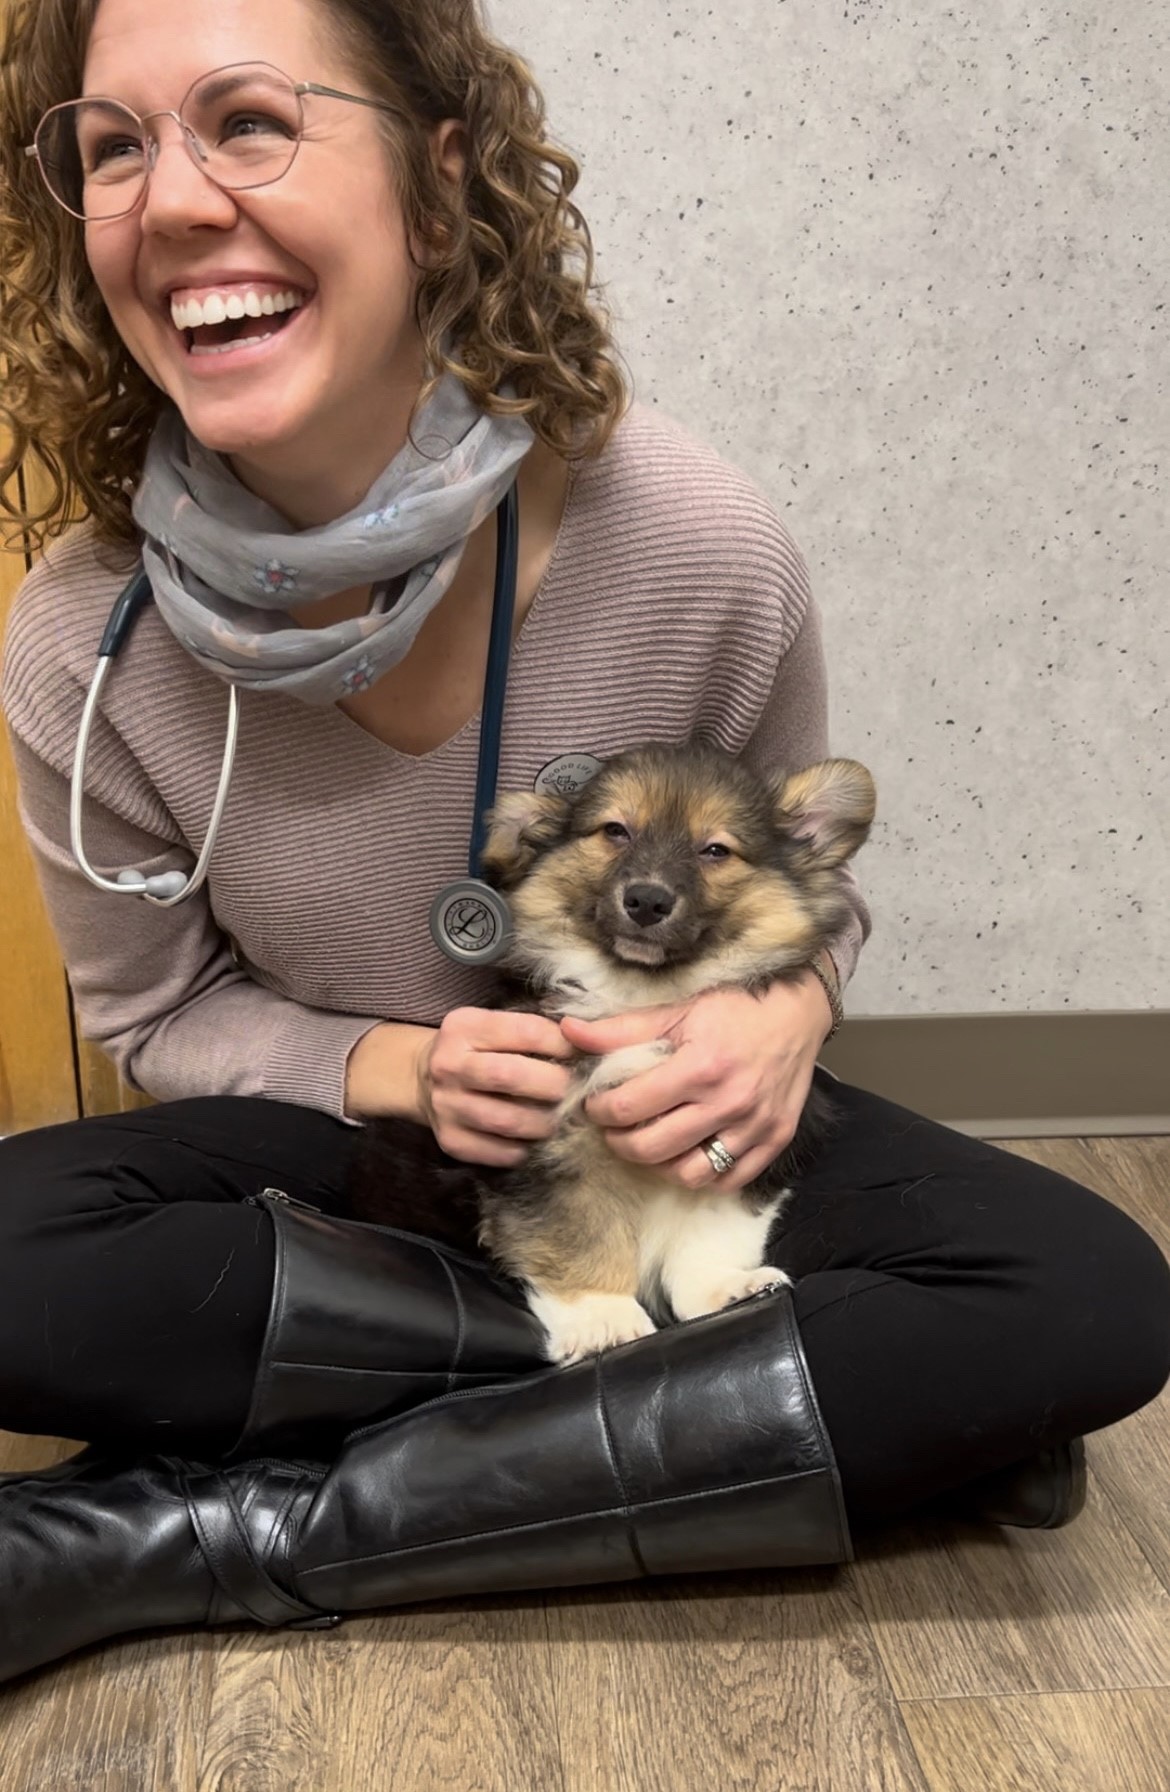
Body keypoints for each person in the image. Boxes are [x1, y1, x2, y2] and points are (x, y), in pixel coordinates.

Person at [0, 0, 1166, 1688]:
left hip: (659, 1144)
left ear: (437, 176)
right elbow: (158, 1016)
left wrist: (786, 1013)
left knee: (1087, 1295)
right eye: (112, 146)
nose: (172, 199)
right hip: (349, 1168)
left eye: (249, 119)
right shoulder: (75, 638)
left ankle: (204, 1529)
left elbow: (799, 899)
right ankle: (777, 1413)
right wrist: (399, 1063)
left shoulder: (692, 543)